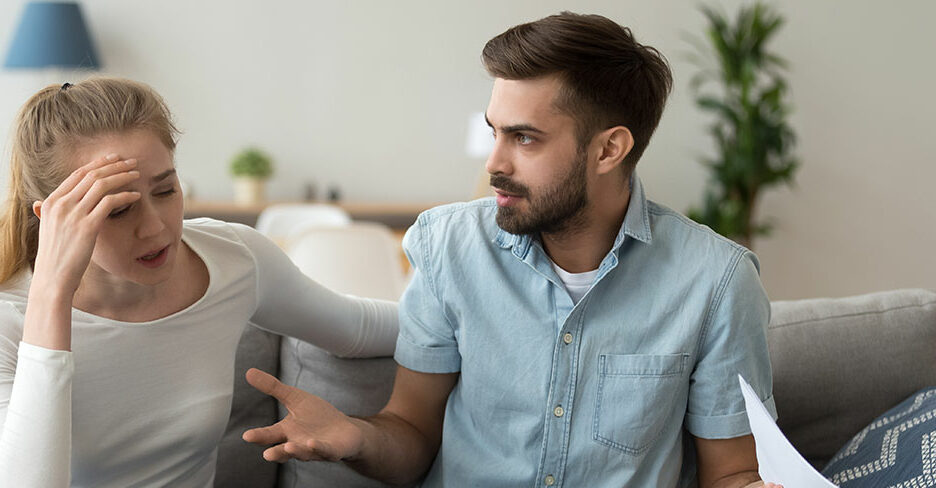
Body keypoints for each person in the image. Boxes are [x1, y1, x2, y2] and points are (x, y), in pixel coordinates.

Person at [242, 12, 784, 488]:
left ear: (609, 149)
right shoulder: (449, 247)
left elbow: (731, 473)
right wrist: (356, 437)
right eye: (494, 132)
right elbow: (410, 435)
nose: (493, 163)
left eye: (524, 138)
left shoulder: (716, 281)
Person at [0, 78, 398, 487]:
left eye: (165, 190)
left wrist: (467, 297)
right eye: (117, 210)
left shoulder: (233, 260)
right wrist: (52, 295)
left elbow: (358, 328)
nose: (156, 227)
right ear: (53, 218)